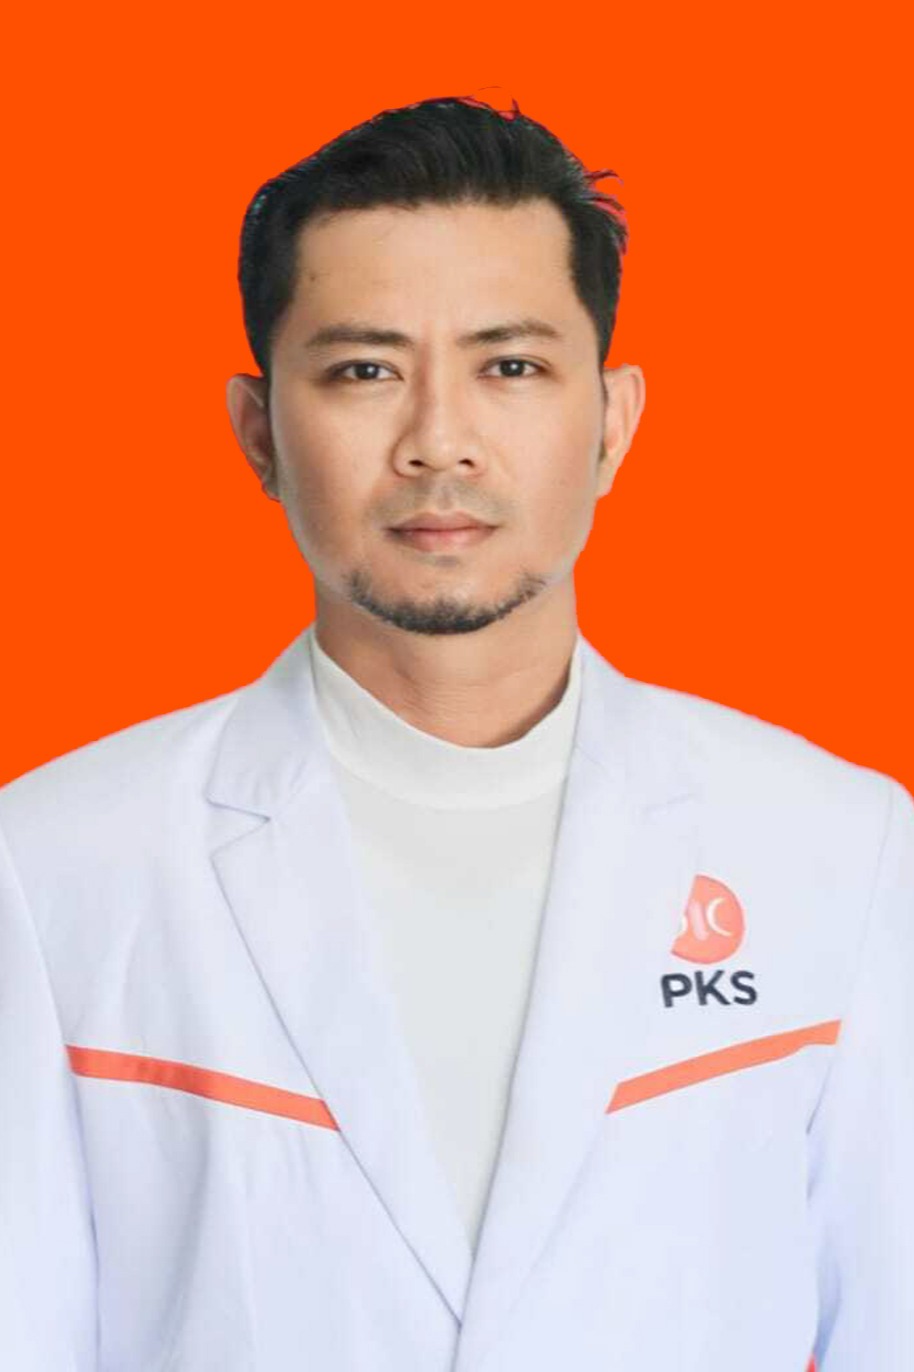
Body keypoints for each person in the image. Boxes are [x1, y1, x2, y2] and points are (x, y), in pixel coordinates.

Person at [1, 94, 911, 1372]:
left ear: (613, 421)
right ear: (259, 431)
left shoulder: (839, 847)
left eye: (510, 367)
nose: (438, 442)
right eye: (364, 370)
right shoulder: (54, 866)